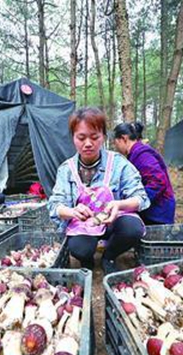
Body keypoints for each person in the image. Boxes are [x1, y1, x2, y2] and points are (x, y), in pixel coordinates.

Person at [48, 107, 150, 274]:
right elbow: (55, 205)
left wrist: (119, 204)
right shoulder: (66, 169)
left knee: (133, 228)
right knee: (79, 249)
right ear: (73, 138)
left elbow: (141, 198)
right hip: (84, 223)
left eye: (94, 137)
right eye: (81, 138)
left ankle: (109, 256)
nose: (88, 143)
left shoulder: (118, 163)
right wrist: (73, 211)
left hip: (114, 220)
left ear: (103, 137)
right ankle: (86, 260)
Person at [113, 122, 176, 225]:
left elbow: (158, 181)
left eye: (115, 143)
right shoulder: (134, 155)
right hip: (151, 212)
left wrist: (138, 201)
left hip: (158, 212)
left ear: (124, 138)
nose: (116, 147)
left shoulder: (143, 155)